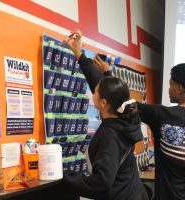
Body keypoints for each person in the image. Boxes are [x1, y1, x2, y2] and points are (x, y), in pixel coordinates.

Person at [92, 56, 185, 199]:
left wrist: (107, 73)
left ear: (180, 88)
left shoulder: (161, 115)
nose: (169, 89)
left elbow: (122, 102)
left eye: (171, 85)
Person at [62, 31, 149, 200]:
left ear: (103, 103)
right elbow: (110, 89)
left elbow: (102, 182)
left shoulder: (110, 135)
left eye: (94, 91)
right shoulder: (128, 118)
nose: (92, 91)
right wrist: (79, 54)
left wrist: (67, 179)